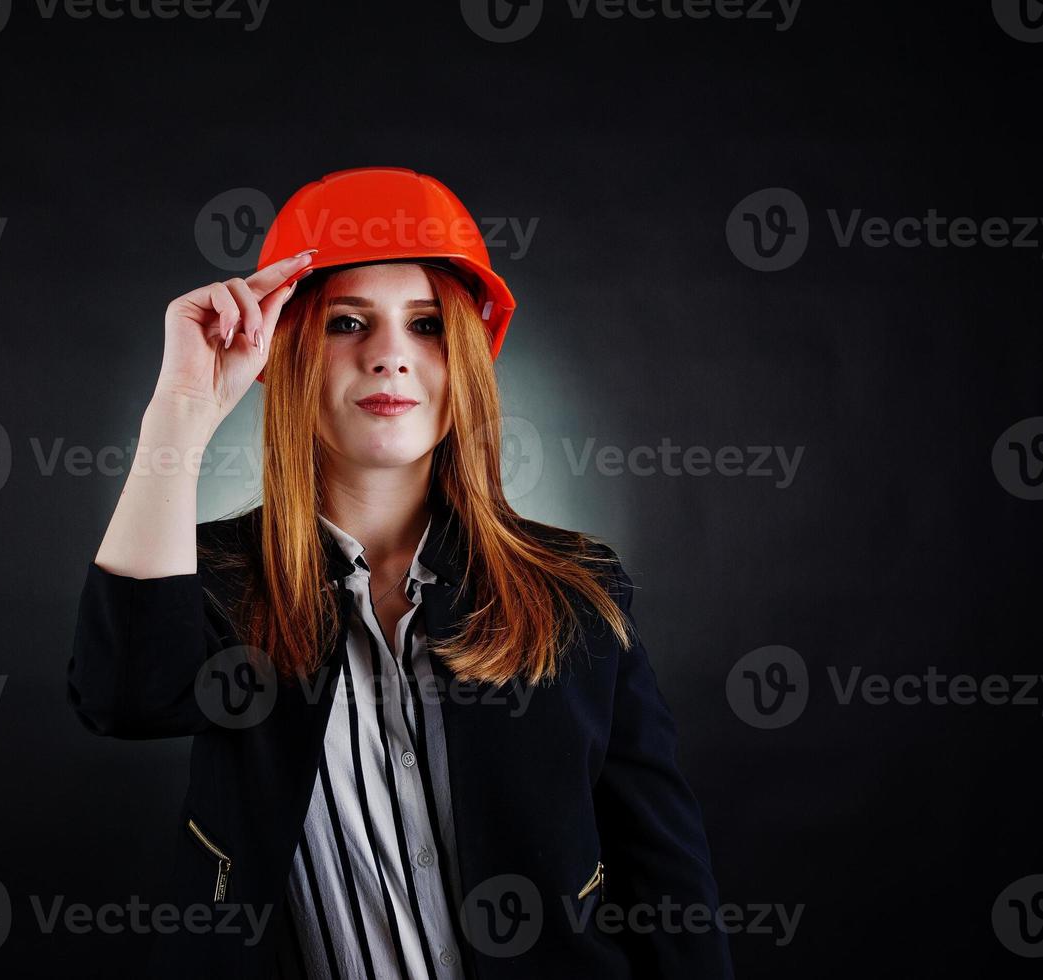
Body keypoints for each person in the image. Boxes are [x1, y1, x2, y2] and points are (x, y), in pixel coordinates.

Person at [69, 167, 732, 979]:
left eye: (424, 326)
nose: (388, 356)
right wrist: (180, 407)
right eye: (348, 322)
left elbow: (666, 875)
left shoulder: (574, 585)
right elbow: (124, 698)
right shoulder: (215, 578)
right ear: (286, 350)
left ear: (464, 362)